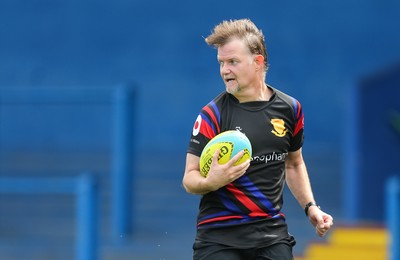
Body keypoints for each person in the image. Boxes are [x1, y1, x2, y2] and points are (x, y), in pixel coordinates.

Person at [182, 18, 333, 260]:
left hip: (271, 236)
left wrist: (310, 207)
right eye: (221, 63)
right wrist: (212, 181)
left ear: (257, 61)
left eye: (233, 61)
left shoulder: (290, 109)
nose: (224, 70)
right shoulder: (212, 114)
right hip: (218, 240)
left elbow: (294, 164)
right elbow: (190, 178)